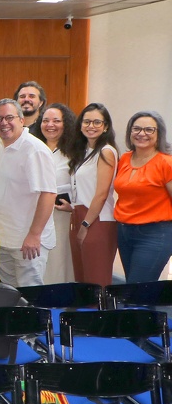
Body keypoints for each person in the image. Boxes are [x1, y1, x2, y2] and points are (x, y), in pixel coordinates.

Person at [0, 99, 57, 288]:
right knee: (10, 295)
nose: (4, 123)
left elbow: (48, 194)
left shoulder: (35, 150)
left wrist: (34, 234)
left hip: (27, 243)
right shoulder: (3, 147)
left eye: (9, 117)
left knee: (30, 297)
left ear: (21, 120)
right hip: (3, 239)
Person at [113, 111, 172, 283]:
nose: (141, 134)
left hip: (155, 234)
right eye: (136, 129)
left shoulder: (166, 163)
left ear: (159, 134)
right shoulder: (124, 159)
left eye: (149, 130)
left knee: (137, 288)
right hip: (124, 232)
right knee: (133, 287)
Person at [68, 103, 119, 286]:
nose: (91, 126)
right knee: (82, 279)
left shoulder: (106, 152)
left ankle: (101, 308)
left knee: (97, 281)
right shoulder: (83, 152)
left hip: (97, 220)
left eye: (97, 122)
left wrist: (85, 224)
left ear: (105, 127)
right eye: (87, 121)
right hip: (80, 215)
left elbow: (101, 194)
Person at [32, 103, 79, 285]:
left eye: (56, 121)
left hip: (61, 215)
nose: (50, 125)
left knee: (59, 262)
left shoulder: (75, 152)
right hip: (33, 215)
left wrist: (72, 206)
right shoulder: (33, 148)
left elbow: (83, 185)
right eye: (45, 121)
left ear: (65, 124)